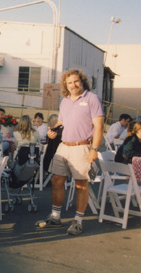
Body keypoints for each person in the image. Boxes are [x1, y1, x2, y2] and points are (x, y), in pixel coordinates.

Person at [36, 69, 104, 236]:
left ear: (82, 81)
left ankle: (78, 221)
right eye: (69, 83)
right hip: (63, 147)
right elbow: (62, 122)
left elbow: (99, 127)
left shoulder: (92, 99)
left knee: (81, 185)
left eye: (76, 81)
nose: (73, 85)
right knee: (56, 181)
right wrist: (54, 131)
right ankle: (55, 216)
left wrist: (94, 149)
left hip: (82, 147)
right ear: (65, 85)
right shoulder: (65, 101)